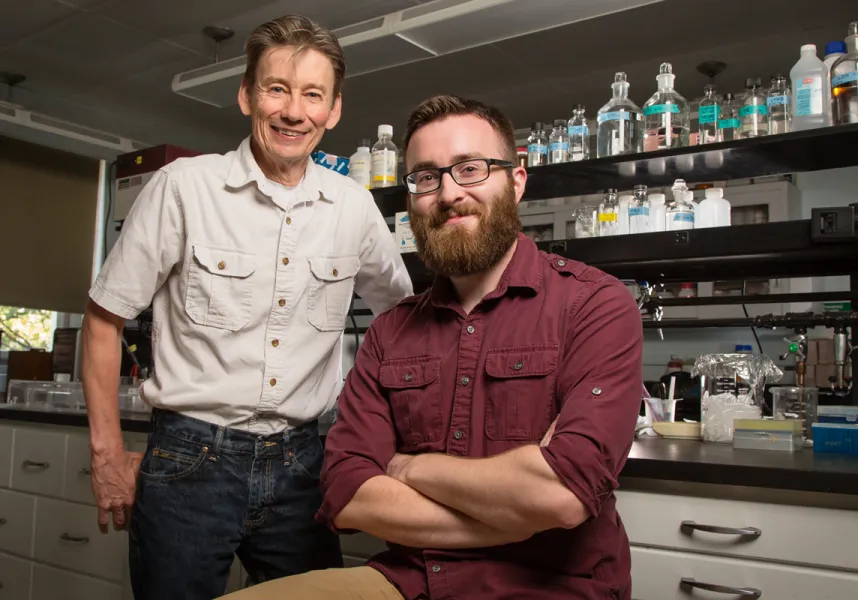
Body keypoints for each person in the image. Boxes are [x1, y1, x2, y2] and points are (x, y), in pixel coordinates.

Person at [220, 94, 643, 600]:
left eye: (470, 169)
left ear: (516, 179)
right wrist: (514, 514)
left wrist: (407, 466)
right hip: (411, 582)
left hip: (551, 588)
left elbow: (561, 492)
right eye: (425, 176)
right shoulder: (390, 332)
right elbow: (348, 492)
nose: (448, 193)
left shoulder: (595, 305)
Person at [81, 14, 413, 600]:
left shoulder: (353, 207)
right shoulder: (182, 188)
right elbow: (104, 319)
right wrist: (108, 454)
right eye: (277, 89)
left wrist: (379, 427)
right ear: (246, 95)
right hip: (189, 460)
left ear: (334, 109)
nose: (294, 111)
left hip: (305, 463)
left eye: (313, 94)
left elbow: (405, 322)